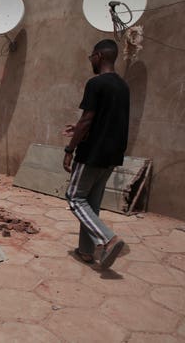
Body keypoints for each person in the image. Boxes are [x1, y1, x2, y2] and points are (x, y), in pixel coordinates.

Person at [62, 39, 129, 269]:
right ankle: (86, 251)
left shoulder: (96, 83)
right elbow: (106, 121)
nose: (90, 60)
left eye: (91, 56)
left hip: (92, 153)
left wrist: (70, 149)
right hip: (112, 155)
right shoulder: (123, 86)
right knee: (91, 202)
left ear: (99, 56)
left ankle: (109, 239)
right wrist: (78, 126)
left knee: (74, 197)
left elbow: (88, 119)